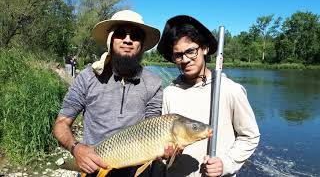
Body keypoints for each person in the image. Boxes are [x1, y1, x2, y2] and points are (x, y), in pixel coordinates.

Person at [53, 10, 164, 176]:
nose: (128, 40)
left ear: (141, 45)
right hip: (93, 169)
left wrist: (166, 147)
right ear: (110, 40)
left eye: (135, 36)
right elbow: (61, 124)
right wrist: (76, 148)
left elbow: (154, 129)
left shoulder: (154, 82)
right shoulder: (87, 77)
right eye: (121, 34)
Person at [156, 15, 260, 177]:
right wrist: (166, 155)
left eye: (191, 51)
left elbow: (250, 136)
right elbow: (163, 143)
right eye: (178, 55)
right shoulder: (169, 93)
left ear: (204, 48)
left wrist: (226, 163)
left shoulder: (230, 90)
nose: (185, 60)